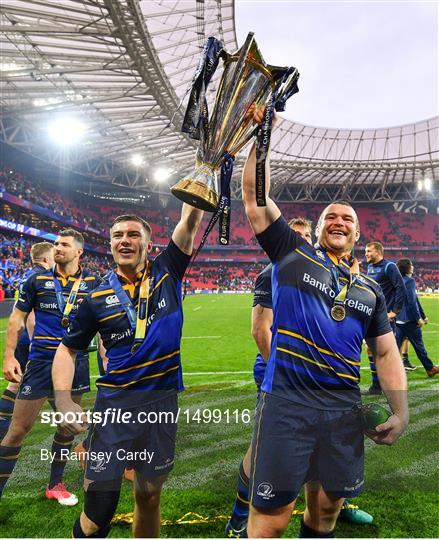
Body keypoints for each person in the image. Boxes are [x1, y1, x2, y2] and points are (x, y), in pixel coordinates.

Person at [241, 112, 408, 538]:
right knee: (272, 517)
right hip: (287, 405)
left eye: (347, 219)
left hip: (342, 411)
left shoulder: (370, 289)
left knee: (327, 510)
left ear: (357, 234)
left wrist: (402, 411)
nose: (339, 222)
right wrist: (263, 138)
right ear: (317, 229)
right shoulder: (291, 254)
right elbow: (255, 199)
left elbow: (386, 352)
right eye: (331, 217)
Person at [51, 208, 203, 538]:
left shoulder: (169, 271)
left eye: (134, 234)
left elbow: (190, 221)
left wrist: (204, 170)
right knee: (99, 512)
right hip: (114, 409)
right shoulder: (95, 296)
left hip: (162, 407)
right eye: (118, 235)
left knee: (149, 496)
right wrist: (64, 401)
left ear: (149, 244)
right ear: (109, 245)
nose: (125, 240)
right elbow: (67, 349)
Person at [226, 219, 372, 538]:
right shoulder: (275, 271)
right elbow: (259, 328)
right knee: (260, 448)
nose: (304, 243)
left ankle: (336, 504)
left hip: (321, 384)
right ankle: (240, 514)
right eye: (299, 237)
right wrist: (286, 369)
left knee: (326, 451)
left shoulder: (328, 274)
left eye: (307, 238)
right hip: (278, 372)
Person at [0, 229, 101, 505]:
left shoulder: (94, 282)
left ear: (79, 252)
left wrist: (107, 361)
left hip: (75, 362)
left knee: (67, 428)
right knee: (19, 429)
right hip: (42, 362)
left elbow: (104, 326)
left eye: (65, 244)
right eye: (56, 244)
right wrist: (10, 356)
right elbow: (16, 320)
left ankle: (55, 484)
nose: (58, 248)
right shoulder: (36, 280)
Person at [0, 242, 54, 440]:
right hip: (31, 338)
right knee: (51, 381)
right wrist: (35, 342)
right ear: (47, 259)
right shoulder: (40, 277)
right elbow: (31, 313)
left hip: (20, 336)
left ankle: (2, 425)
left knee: (15, 383)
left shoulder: (26, 275)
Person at [363, 241, 407, 394]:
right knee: (369, 349)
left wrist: (395, 311)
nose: (366, 254)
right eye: (366, 251)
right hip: (372, 315)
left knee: (387, 353)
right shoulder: (369, 267)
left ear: (378, 252)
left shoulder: (390, 267)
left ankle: (394, 389)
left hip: (385, 317)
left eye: (369, 251)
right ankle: (376, 386)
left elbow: (401, 287)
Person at [395, 258, 438, 377]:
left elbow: (414, 300)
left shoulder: (396, 280)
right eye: (411, 265)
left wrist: (423, 315)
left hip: (397, 320)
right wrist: (418, 318)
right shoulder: (410, 281)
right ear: (407, 268)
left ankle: (388, 372)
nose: (413, 267)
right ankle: (430, 369)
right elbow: (412, 302)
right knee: (419, 347)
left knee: (394, 349)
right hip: (410, 321)